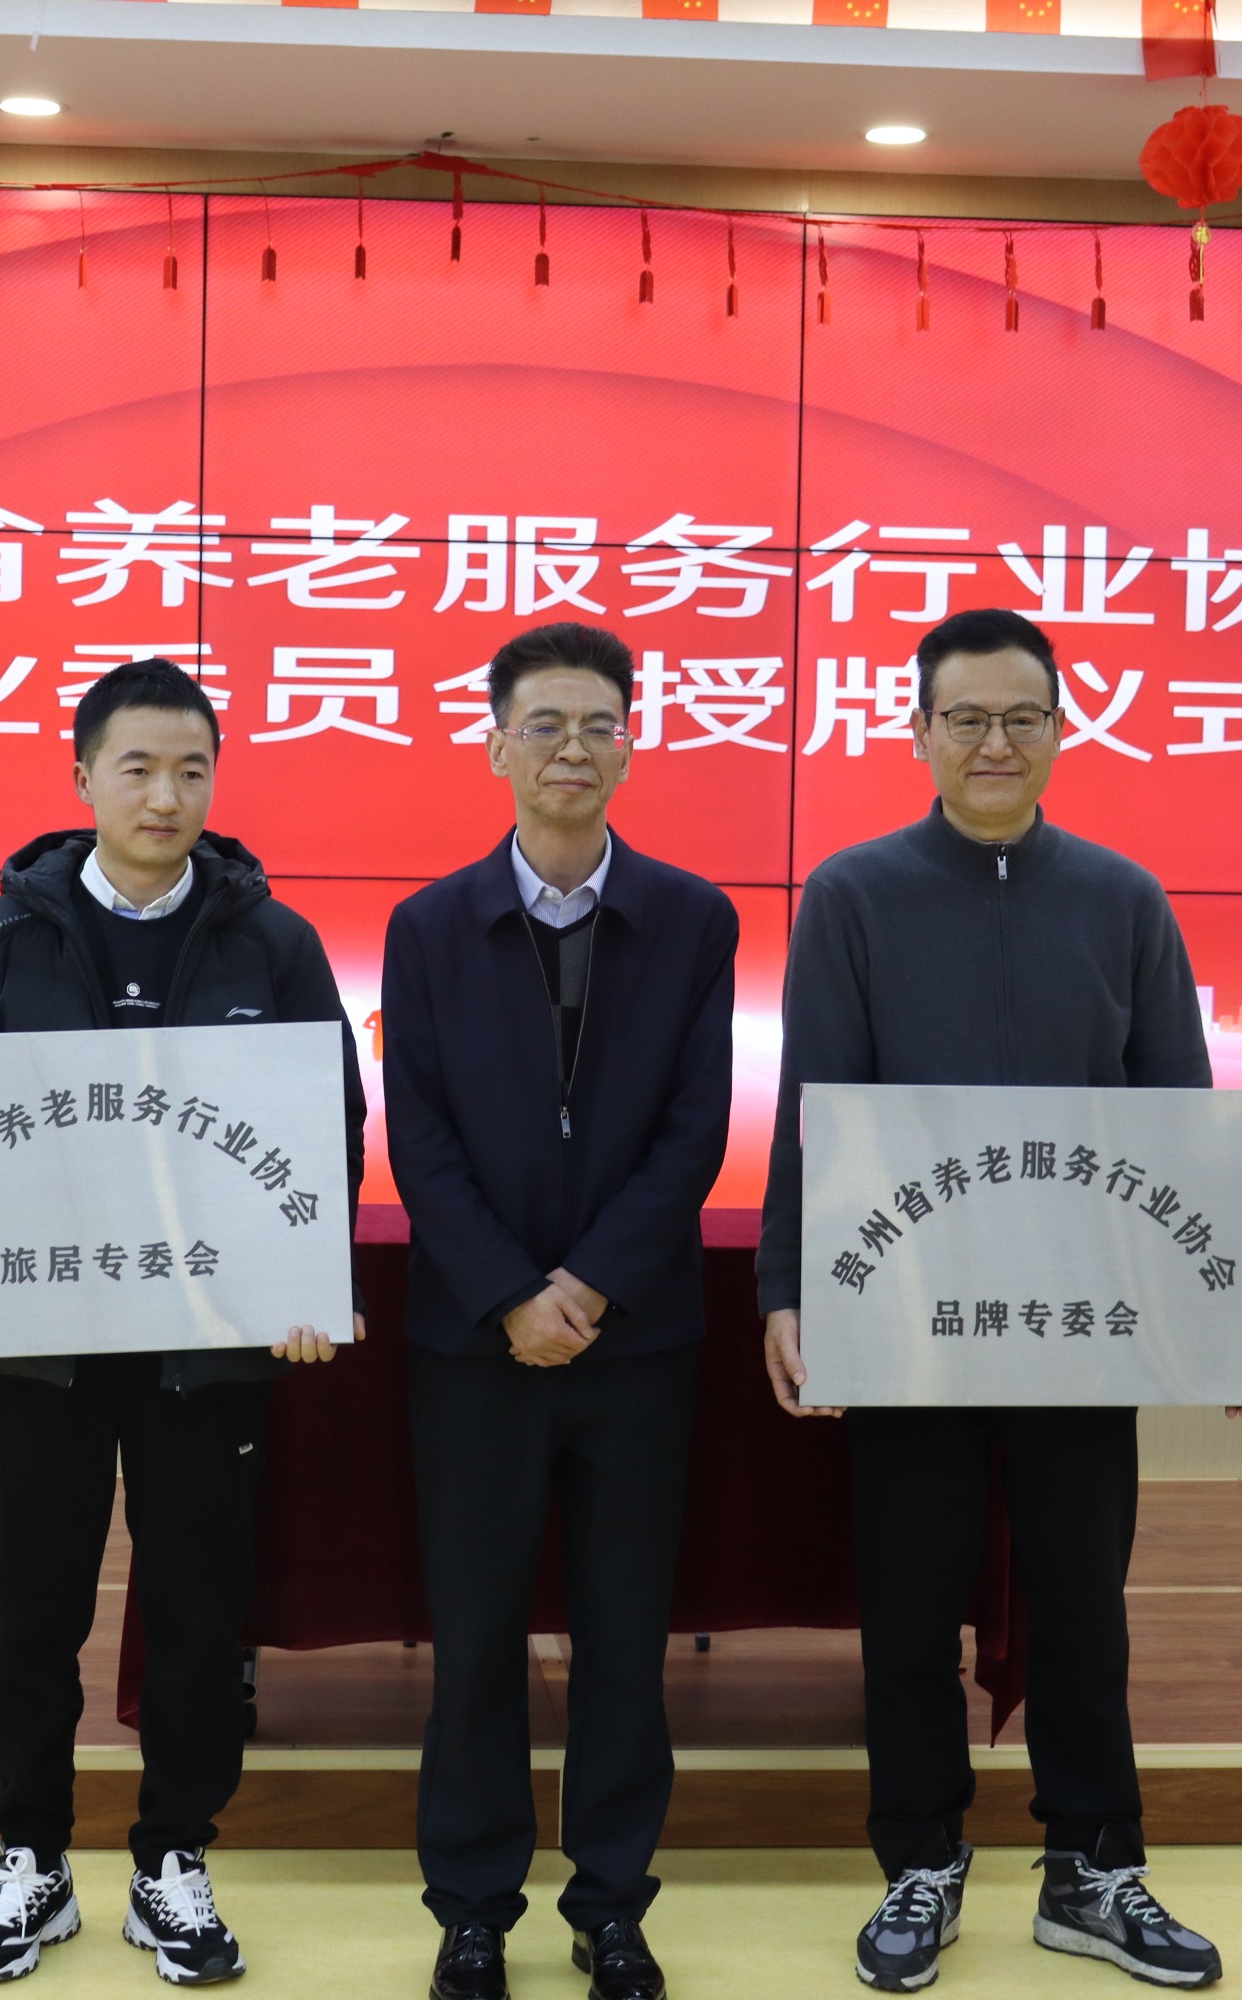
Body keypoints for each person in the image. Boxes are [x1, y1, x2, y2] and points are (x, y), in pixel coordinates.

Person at [756, 607, 1242, 1994]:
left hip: (1084, 1316)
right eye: (967, 719)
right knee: (909, 1609)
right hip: (908, 1318)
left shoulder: (1123, 899)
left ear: (1060, 730)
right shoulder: (855, 895)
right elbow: (814, 1112)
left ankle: (1093, 1868)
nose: (995, 743)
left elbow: (1181, 1110)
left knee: (1080, 1605)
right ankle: (920, 1862)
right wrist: (787, 1288)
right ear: (919, 730)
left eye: (1022, 718)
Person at [0, 656, 368, 1988]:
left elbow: (328, 1125)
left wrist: (306, 1285)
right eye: (137, 767)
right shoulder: (4, 937)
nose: (165, 795)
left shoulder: (273, 941)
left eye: (192, 769)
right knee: (27, 1612)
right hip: (44, 1350)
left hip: (209, 1347)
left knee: (198, 1613)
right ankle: (31, 1857)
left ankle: (173, 1861)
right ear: (82, 776)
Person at [381, 622, 739, 2000]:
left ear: (631, 748)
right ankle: (473, 1910)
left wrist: (585, 1287)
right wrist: (510, 1296)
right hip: (475, 1344)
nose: (572, 749)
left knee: (623, 1634)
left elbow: (695, 1130)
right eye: (544, 725)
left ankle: (612, 1905)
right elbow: (420, 1141)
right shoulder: (429, 926)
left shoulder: (695, 919)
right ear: (496, 748)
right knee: (475, 1635)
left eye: (599, 725)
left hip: (634, 1339)